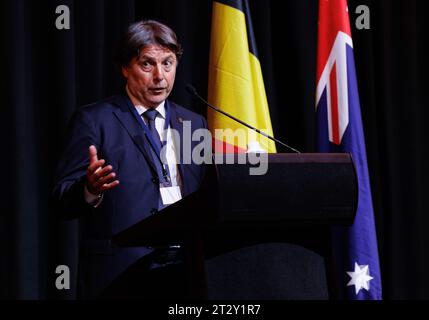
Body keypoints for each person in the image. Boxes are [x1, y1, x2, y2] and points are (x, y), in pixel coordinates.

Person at [53, 20, 208, 299]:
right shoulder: (94, 120)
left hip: (186, 269)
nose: (160, 76)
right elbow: (61, 199)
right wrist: (89, 189)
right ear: (126, 68)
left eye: (168, 63)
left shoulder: (194, 124)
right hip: (120, 274)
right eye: (147, 64)